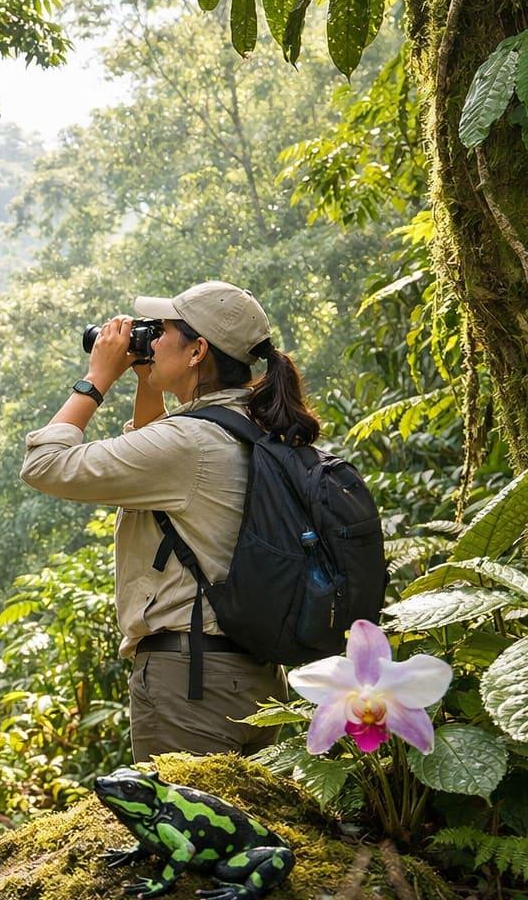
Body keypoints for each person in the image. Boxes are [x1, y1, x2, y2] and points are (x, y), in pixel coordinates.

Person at [20, 281, 318, 762]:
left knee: (181, 831)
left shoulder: (189, 444)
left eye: (160, 332)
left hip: (190, 681)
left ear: (198, 350)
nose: (149, 340)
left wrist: (95, 379)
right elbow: (158, 462)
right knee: (240, 833)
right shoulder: (257, 426)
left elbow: (44, 465)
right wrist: (146, 380)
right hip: (254, 676)